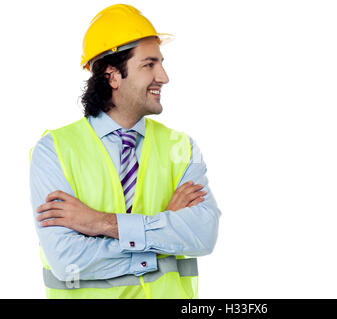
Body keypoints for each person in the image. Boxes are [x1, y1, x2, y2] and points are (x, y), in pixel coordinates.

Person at [28, 4, 221, 299]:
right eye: (149, 65)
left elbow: (203, 235)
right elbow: (68, 259)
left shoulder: (181, 148)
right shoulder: (53, 150)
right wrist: (164, 227)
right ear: (112, 76)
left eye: (161, 63)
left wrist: (100, 223)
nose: (164, 76)